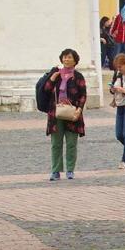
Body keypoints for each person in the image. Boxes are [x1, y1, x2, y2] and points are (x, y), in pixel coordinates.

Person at [36, 48, 86, 181]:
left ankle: (70, 170)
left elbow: (83, 95)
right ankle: (55, 171)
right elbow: (46, 90)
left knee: (71, 143)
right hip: (56, 113)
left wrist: (78, 110)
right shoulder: (56, 74)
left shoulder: (79, 76)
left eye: (69, 57)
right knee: (56, 144)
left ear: (75, 60)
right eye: (64, 57)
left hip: (72, 113)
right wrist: (52, 79)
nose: (66, 59)